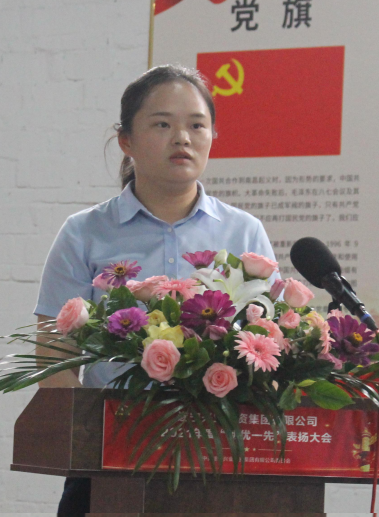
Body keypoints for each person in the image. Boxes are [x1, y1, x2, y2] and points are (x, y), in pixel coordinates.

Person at [33, 64, 278, 516]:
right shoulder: (84, 233)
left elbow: (268, 346)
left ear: (212, 136)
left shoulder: (244, 233)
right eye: (162, 124)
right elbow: (53, 356)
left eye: (197, 125)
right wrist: (99, 436)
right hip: (108, 463)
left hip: (220, 461)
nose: (182, 138)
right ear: (126, 141)